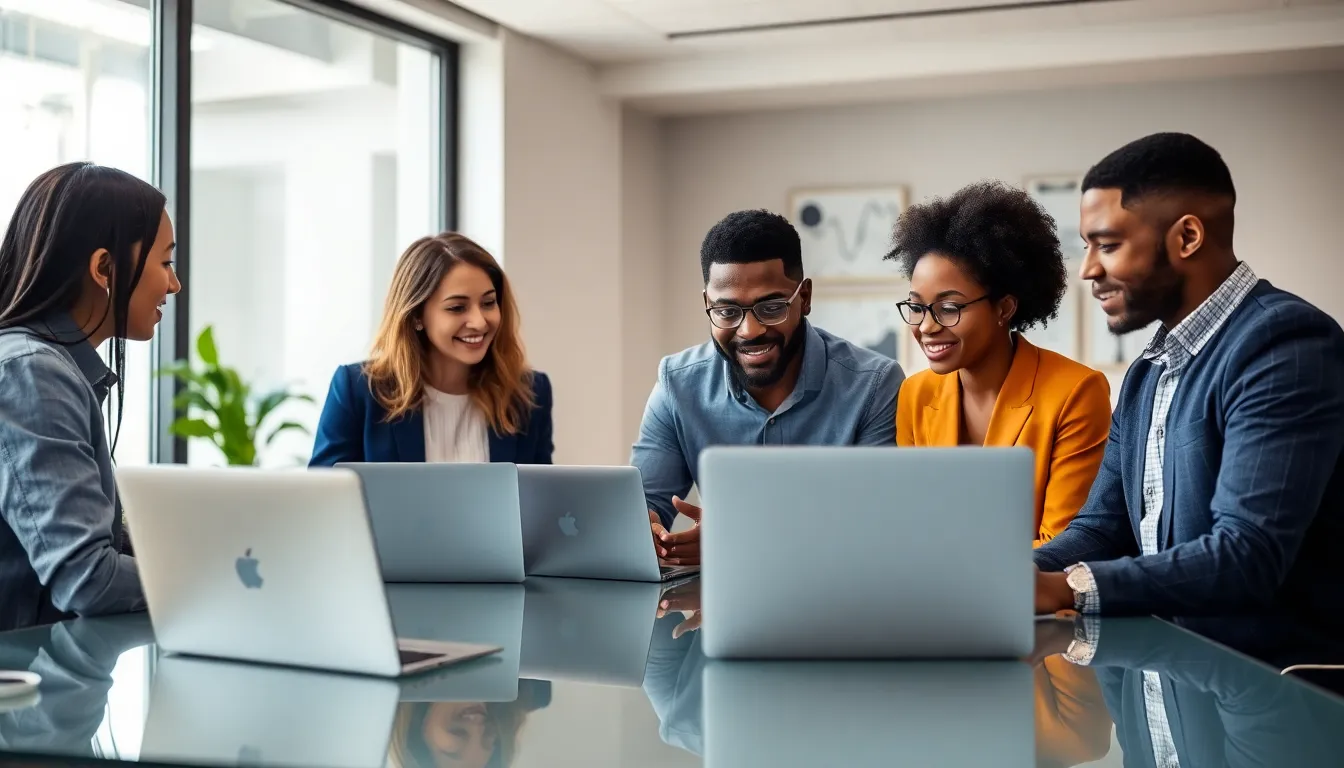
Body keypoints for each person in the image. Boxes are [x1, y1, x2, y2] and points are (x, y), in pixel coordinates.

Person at [1033, 133, 1344, 634]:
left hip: (1266, 677)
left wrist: (1063, 587)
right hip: (1170, 669)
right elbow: (1102, 530)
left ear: (1187, 238)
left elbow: (1246, 554)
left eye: (1107, 245)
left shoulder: (1285, 344)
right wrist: (1006, 572)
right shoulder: (1147, 371)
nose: (1088, 269)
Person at [634, 209, 905, 566]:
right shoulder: (677, 384)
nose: (750, 331)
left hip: (842, 595)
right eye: (727, 312)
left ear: (804, 297)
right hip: (723, 599)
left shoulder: (874, 385)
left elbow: (880, 525)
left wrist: (736, 539)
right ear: (707, 304)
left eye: (771, 307)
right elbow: (642, 507)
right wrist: (645, 531)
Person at [0, 162, 180, 632]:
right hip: (23, 673)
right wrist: (218, 579)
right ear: (104, 268)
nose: (174, 285)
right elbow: (88, 579)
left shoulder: (46, 367)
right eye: (165, 263)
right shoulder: (32, 373)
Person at [887, 180, 1111, 546]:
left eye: (949, 307)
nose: (926, 326)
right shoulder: (915, 394)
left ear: (1004, 308)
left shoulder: (1076, 393)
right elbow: (911, 527)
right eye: (916, 307)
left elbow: (1064, 543)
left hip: (1033, 584)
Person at [310, 233, 552, 467]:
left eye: (488, 303)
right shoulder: (358, 391)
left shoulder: (529, 394)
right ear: (417, 315)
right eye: (457, 308)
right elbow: (325, 492)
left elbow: (543, 492)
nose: (479, 322)